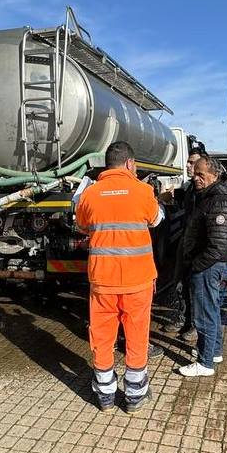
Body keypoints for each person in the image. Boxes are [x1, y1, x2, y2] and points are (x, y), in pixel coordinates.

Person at [75, 141, 163, 412]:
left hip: (102, 280)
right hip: (138, 281)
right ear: (129, 164)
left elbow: (81, 225)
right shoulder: (143, 191)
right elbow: (157, 219)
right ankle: (135, 396)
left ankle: (105, 396)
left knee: (102, 336)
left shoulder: (90, 194)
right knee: (136, 335)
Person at [179, 156, 227, 377]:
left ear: (214, 174)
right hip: (209, 265)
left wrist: (196, 265)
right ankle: (214, 352)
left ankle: (204, 363)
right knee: (211, 311)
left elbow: (217, 244)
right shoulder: (209, 197)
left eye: (201, 174)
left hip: (208, 266)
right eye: (195, 173)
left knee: (204, 315)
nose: (196, 178)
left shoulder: (219, 200)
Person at [162, 150, 204, 341]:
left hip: (197, 245)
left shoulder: (205, 189)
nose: (187, 165)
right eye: (188, 162)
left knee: (196, 286)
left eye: (191, 162)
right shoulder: (190, 187)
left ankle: (196, 325)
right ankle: (184, 319)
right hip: (186, 241)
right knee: (181, 283)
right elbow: (181, 196)